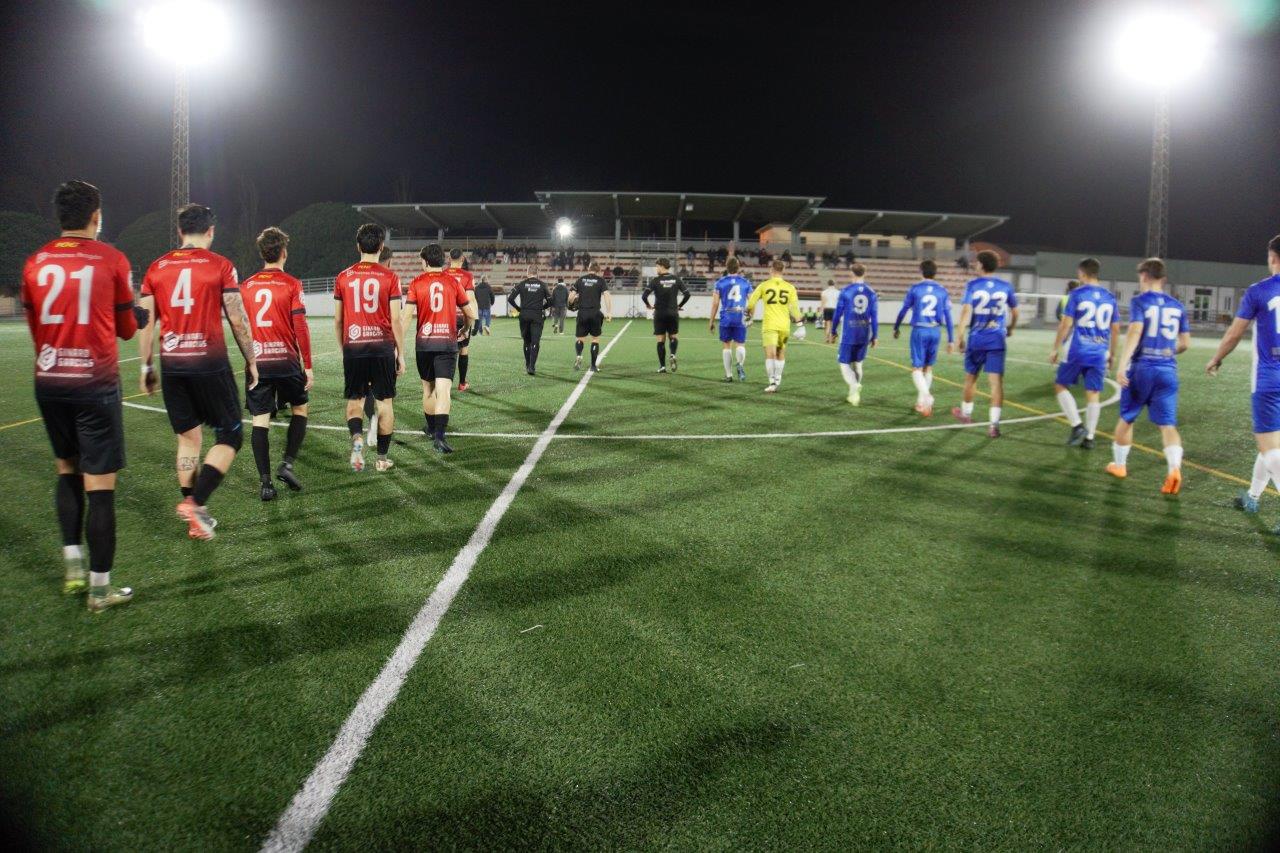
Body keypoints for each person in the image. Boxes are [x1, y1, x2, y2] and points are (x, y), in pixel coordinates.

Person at [22, 180, 137, 610]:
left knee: (66, 469)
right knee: (100, 489)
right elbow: (127, 329)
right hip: (95, 383)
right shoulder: (111, 259)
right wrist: (136, 316)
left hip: (50, 380)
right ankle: (100, 589)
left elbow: (36, 329)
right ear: (96, 216)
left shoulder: (35, 262)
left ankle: (72, 564)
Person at [138, 203, 257, 540]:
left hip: (172, 364)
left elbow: (146, 323)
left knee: (188, 439)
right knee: (230, 436)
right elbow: (237, 318)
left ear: (180, 231)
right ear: (210, 231)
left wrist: (146, 365)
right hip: (209, 363)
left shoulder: (156, 268)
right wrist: (251, 360)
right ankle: (197, 504)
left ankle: (194, 515)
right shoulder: (220, 265)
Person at [1206, 234, 1280, 518]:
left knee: (1269, 447)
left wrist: (1216, 358)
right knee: (1271, 444)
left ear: (1272, 257)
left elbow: (1235, 333)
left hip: (1269, 378)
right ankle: (1252, 496)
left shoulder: (1259, 290)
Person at [1105, 258, 1190, 493]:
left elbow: (1135, 330)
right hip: (1167, 370)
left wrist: (1122, 365)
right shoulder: (1177, 306)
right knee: (1167, 425)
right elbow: (1185, 343)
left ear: (1143, 275)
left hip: (1142, 368)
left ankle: (1119, 465)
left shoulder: (1140, 301)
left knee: (1127, 417)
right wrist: (1167, 351)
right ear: (1163, 278)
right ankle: (1174, 469)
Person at [240, 227, 312, 501]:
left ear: (262, 253)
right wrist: (308, 365)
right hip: (287, 361)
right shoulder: (292, 284)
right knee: (300, 408)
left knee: (260, 420)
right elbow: (300, 327)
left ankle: (266, 483)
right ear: (284, 252)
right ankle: (287, 464)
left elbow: (241, 328)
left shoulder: (246, 286)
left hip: (257, 362)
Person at [333, 223, 404, 472]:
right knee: (385, 404)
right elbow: (396, 319)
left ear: (358, 246)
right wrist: (401, 354)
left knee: (356, 401)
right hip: (382, 348)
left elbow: (338, 320)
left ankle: (357, 437)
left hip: (354, 346)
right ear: (381, 246)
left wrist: (344, 348)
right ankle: (382, 459)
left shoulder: (343, 276)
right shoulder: (390, 277)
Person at [405, 243, 476, 454]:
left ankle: (431, 428)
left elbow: (405, 316)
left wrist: (397, 343)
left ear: (426, 261)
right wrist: (465, 329)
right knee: (444, 390)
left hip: (424, 343)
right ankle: (439, 437)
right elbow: (470, 313)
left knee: (428, 390)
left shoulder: (416, 282)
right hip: (447, 342)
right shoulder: (453, 282)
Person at [1050, 258, 1118, 449]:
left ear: (1082, 273)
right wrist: (1112, 354)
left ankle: (1077, 425)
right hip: (1100, 351)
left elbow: (1066, 324)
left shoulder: (1077, 294)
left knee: (1060, 385)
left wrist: (1055, 348)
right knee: (1093, 393)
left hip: (1077, 350)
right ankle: (1090, 438)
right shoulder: (1109, 297)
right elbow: (1115, 329)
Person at [953, 250, 1018, 437]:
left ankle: (966, 415)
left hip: (977, 339)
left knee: (971, 378)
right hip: (996, 339)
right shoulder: (1005, 286)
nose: (975, 264)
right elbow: (1015, 312)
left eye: (976, 262)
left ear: (981, 264)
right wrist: (1010, 328)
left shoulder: (973, 285)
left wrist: (960, 337)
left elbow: (966, 311)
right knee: (996, 383)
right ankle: (993, 425)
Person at [892, 259, 954, 417]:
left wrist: (896, 327)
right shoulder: (942, 290)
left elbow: (904, 310)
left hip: (920, 330)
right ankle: (921, 403)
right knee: (928, 368)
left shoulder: (915, 289)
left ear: (921, 271)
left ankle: (927, 396)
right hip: (935, 331)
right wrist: (951, 339)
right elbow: (948, 316)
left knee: (917, 368)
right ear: (935, 273)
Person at [745, 259, 803, 393]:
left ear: (771, 270)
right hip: (784, 326)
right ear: (783, 270)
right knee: (780, 353)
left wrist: (747, 314)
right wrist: (800, 325)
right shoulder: (790, 287)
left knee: (770, 354)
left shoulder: (764, 285)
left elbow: (751, 302)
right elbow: (794, 308)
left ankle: (772, 382)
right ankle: (777, 380)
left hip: (769, 325)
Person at [827, 263, 877, 405]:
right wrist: (875, 335)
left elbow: (837, 314)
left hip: (849, 333)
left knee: (844, 362)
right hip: (864, 333)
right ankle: (854, 394)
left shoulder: (846, 291)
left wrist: (833, 331)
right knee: (858, 364)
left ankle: (854, 386)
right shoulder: (871, 292)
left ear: (851, 273)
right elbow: (874, 316)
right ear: (864, 273)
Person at [642, 259, 690, 373]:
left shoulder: (655, 280)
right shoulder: (676, 279)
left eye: (657, 266)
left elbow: (644, 296)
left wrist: (648, 305)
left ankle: (662, 367)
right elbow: (687, 294)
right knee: (673, 336)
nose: (656, 269)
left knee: (660, 340)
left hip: (660, 313)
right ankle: (672, 354)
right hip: (673, 313)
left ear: (662, 266)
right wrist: (679, 306)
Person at [708, 257, 752, 382]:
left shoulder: (720, 283)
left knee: (726, 345)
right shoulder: (745, 282)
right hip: (740, 316)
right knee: (740, 343)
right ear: (738, 267)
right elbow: (752, 302)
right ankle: (740, 364)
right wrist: (750, 317)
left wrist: (711, 321)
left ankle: (728, 375)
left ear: (726, 267)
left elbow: (715, 304)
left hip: (726, 317)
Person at [569, 261, 612, 372]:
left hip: (582, 312)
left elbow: (571, 296)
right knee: (595, 339)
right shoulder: (601, 280)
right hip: (595, 313)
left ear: (588, 269)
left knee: (580, 338)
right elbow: (607, 295)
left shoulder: (580, 280)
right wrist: (609, 312)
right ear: (598, 270)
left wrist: (570, 303)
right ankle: (593, 366)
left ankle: (579, 355)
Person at [508, 267, 552, 375]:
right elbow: (551, 301)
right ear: (537, 273)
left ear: (527, 273)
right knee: (535, 341)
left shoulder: (521, 284)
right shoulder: (542, 285)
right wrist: (542, 307)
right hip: (537, 315)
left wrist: (519, 309)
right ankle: (532, 367)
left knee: (526, 341)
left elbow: (510, 298)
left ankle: (527, 364)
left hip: (524, 314)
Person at [445, 248, 477, 392]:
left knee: (446, 351)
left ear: (449, 259)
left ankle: (444, 384)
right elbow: (470, 299)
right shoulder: (468, 276)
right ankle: (462, 383)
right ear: (462, 259)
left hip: (446, 317)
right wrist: (472, 317)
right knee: (463, 349)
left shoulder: (443, 274)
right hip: (461, 317)